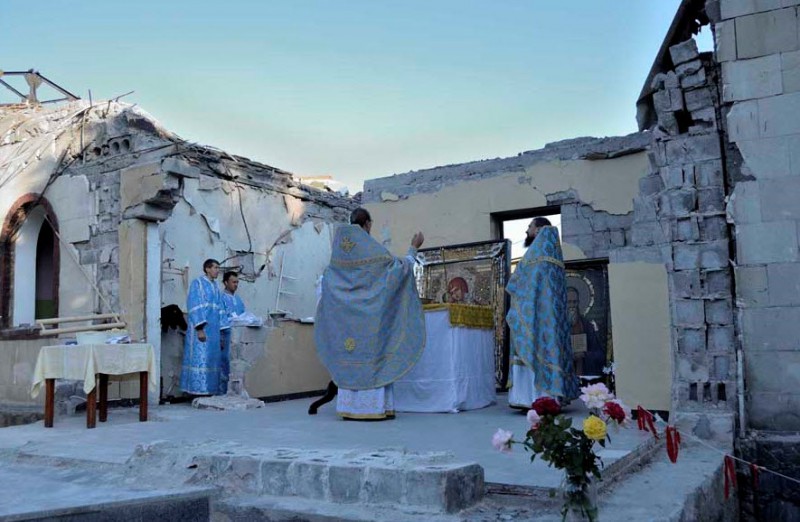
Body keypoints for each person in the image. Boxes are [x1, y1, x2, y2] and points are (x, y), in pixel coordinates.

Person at [315, 207, 425, 420]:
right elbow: (397, 272)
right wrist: (413, 249)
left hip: (346, 323)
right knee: (374, 357)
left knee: (351, 355)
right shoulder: (373, 251)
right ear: (367, 224)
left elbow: (326, 281)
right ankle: (373, 408)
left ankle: (350, 408)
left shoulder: (338, 254)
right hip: (370, 322)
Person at [506, 218, 580, 408]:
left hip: (534, 318)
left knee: (532, 347)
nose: (527, 230)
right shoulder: (554, 258)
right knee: (551, 349)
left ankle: (529, 398)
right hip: (552, 322)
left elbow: (521, 284)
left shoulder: (536, 257)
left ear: (539, 230)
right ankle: (551, 396)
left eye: (529, 227)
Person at [180, 258, 225, 396]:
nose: (217, 270)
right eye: (215, 267)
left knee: (212, 359)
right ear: (207, 269)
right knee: (200, 358)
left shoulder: (216, 287)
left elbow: (220, 310)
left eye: (218, 268)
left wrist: (221, 332)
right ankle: (197, 390)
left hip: (214, 330)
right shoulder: (198, 283)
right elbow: (194, 305)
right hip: (201, 329)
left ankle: (210, 390)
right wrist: (199, 328)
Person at [567, 287, 604, 376]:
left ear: (578, 303)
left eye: (574, 302)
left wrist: (584, 354)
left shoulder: (586, 325)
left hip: (584, 372)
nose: (572, 306)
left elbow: (599, 354)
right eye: (569, 302)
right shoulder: (558, 327)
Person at [219, 271, 246, 395]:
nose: (236, 285)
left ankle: (235, 391)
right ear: (226, 282)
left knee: (237, 363)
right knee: (225, 362)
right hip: (226, 335)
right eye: (233, 282)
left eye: (237, 282)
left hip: (239, 336)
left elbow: (243, 315)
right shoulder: (220, 298)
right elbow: (220, 317)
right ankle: (222, 391)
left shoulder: (238, 299)